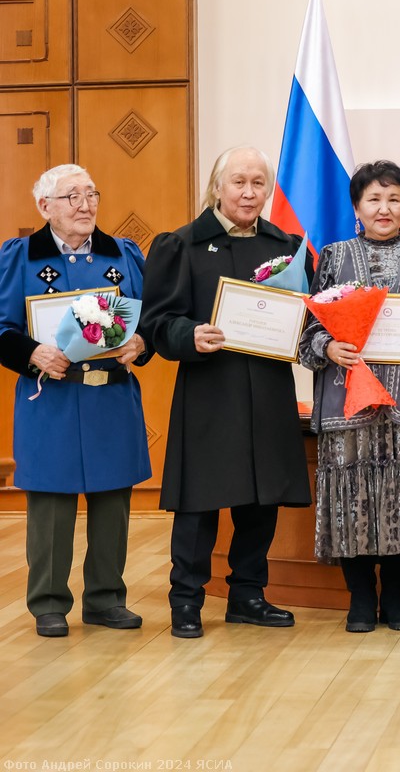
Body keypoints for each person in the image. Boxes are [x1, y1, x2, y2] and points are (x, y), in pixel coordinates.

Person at [141, 146, 311, 639]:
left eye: (258, 182)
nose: (249, 192)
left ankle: (248, 596)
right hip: (209, 392)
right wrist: (188, 335)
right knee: (200, 501)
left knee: (262, 500)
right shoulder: (180, 245)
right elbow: (157, 323)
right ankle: (187, 601)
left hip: (269, 391)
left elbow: (307, 316)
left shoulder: (289, 248)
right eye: (239, 181)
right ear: (217, 187)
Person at [0, 165, 151, 637]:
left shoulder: (124, 255)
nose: (85, 205)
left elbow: (153, 319)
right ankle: (48, 602)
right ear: (44, 207)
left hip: (110, 397)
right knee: (51, 500)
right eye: (72, 197)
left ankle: (106, 599)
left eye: (91, 194)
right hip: (50, 399)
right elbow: (2, 330)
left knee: (113, 498)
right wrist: (32, 352)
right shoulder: (17, 258)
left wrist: (141, 344)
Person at [299, 161, 400, 633]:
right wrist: (329, 346)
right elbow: (305, 335)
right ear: (356, 207)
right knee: (350, 497)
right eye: (373, 200)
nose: (384, 209)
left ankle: (399, 599)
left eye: (394, 200)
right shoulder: (333, 256)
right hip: (350, 402)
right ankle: (361, 599)